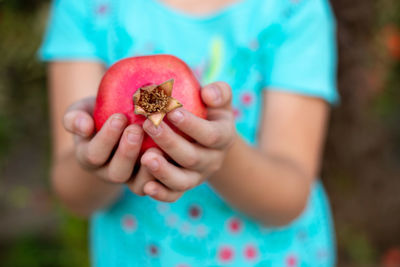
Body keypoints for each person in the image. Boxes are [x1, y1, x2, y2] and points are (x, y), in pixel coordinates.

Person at [40, 0, 338, 266]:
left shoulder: (293, 8)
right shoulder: (86, 6)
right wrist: (99, 160)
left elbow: (290, 197)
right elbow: (72, 194)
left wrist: (220, 153)